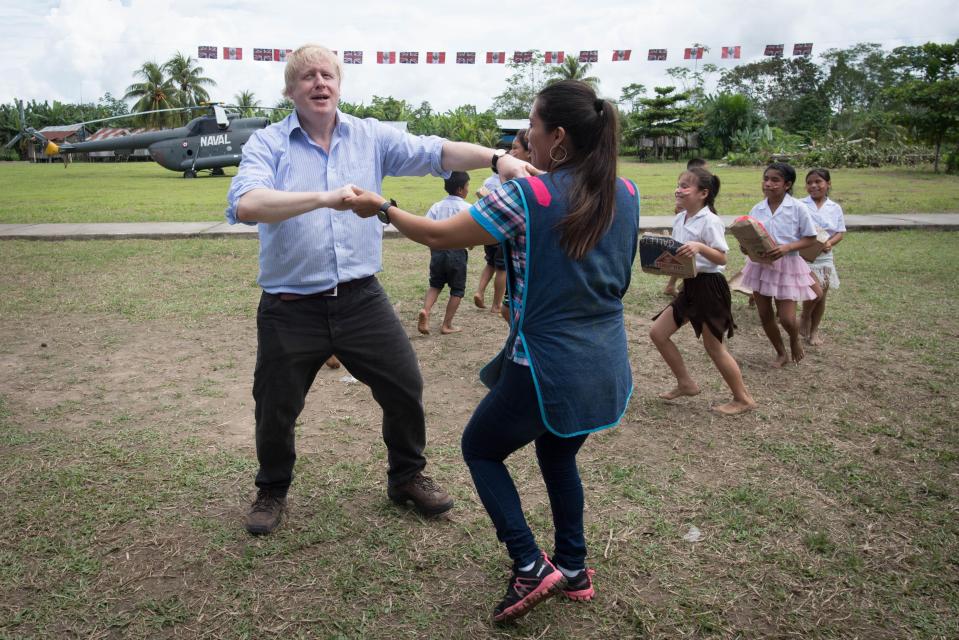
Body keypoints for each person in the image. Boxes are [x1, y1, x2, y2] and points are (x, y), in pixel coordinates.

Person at [346, 80, 639, 623]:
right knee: (557, 454)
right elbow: (618, 279)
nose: (524, 133)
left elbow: (437, 235)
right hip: (604, 360)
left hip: (546, 364)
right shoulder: (627, 193)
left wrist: (383, 206)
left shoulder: (526, 198)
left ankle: (530, 563)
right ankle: (573, 567)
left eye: (532, 123)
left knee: (480, 448)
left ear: (556, 139)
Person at [224, 44, 531, 535]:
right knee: (275, 405)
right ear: (290, 90)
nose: (319, 83)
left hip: (360, 297)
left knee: (404, 385)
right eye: (307, 77)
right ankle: (272, 489)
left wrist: (497, 158)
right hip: (289, 305)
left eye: (328, 75)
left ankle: (407, 476)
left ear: (339, 85)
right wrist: (326, 198)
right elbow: (248, 204)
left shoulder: (369, 136)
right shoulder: (268, 144)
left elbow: (437, 151)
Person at [650, 168, 756, 415]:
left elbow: (722, 258)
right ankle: (686, 383)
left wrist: (699, 247)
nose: (679, 189)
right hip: (690, 286)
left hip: (710, 287)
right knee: (658, 333)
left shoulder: (710, 221)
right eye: (678, 184)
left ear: (703, 193)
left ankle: (743, 398)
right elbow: (679, 255)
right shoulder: (680, 218)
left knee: (714, 347)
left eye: (686, 186)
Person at [737, 162, 820, 368]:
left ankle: (794, 339)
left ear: (787, 184)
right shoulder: (757, 208)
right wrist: (746, 247)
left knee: (787, 319)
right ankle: (780, 352)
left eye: (775, 180)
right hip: (760, 266)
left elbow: (810, 238)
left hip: (788, 266)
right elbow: (750, 236)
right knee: (765, 314)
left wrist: (786, 248)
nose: (768, 184)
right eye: (766, 179)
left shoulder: (798, 208)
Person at [473, 129, 531, 314]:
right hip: (502, 236)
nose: (511, 154)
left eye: (515, 148)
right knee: (501, 269)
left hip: (493, 234)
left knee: (492, 265)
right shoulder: (515, 183)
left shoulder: (495, 182)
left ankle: (482, 293)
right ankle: (496, 304)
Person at [417, 171, 472, 335]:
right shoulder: (468, 208)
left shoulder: (436, 206)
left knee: (435, 284)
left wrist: (432, 249)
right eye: (468, 186)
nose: (469, 189)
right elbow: (472, 231)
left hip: (438, 252)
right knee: (457, 289)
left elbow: (426, 228)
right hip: (457, 253)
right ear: (461, 189)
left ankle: (425, 311)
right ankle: (447, 324)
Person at [799, 168, 846, 345]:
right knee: (813, 292)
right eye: (809, 182)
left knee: (822, 296)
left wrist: (829, 243)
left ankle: (814, 332)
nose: (813, 186)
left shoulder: (835, 208)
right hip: (804, 255)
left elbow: (840, 232)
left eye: (818, 182)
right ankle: (804, 316)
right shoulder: (800, 205)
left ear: (828, 184)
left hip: (825, 257)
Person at [663, 158, 708, 297]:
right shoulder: (684, 211)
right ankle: (675, 285)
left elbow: (721, 258)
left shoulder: (710, 220)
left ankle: (676, 285)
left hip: (706, 280)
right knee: (681, 250)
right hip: (687, 222)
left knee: (685, 251)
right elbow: (679, 208)